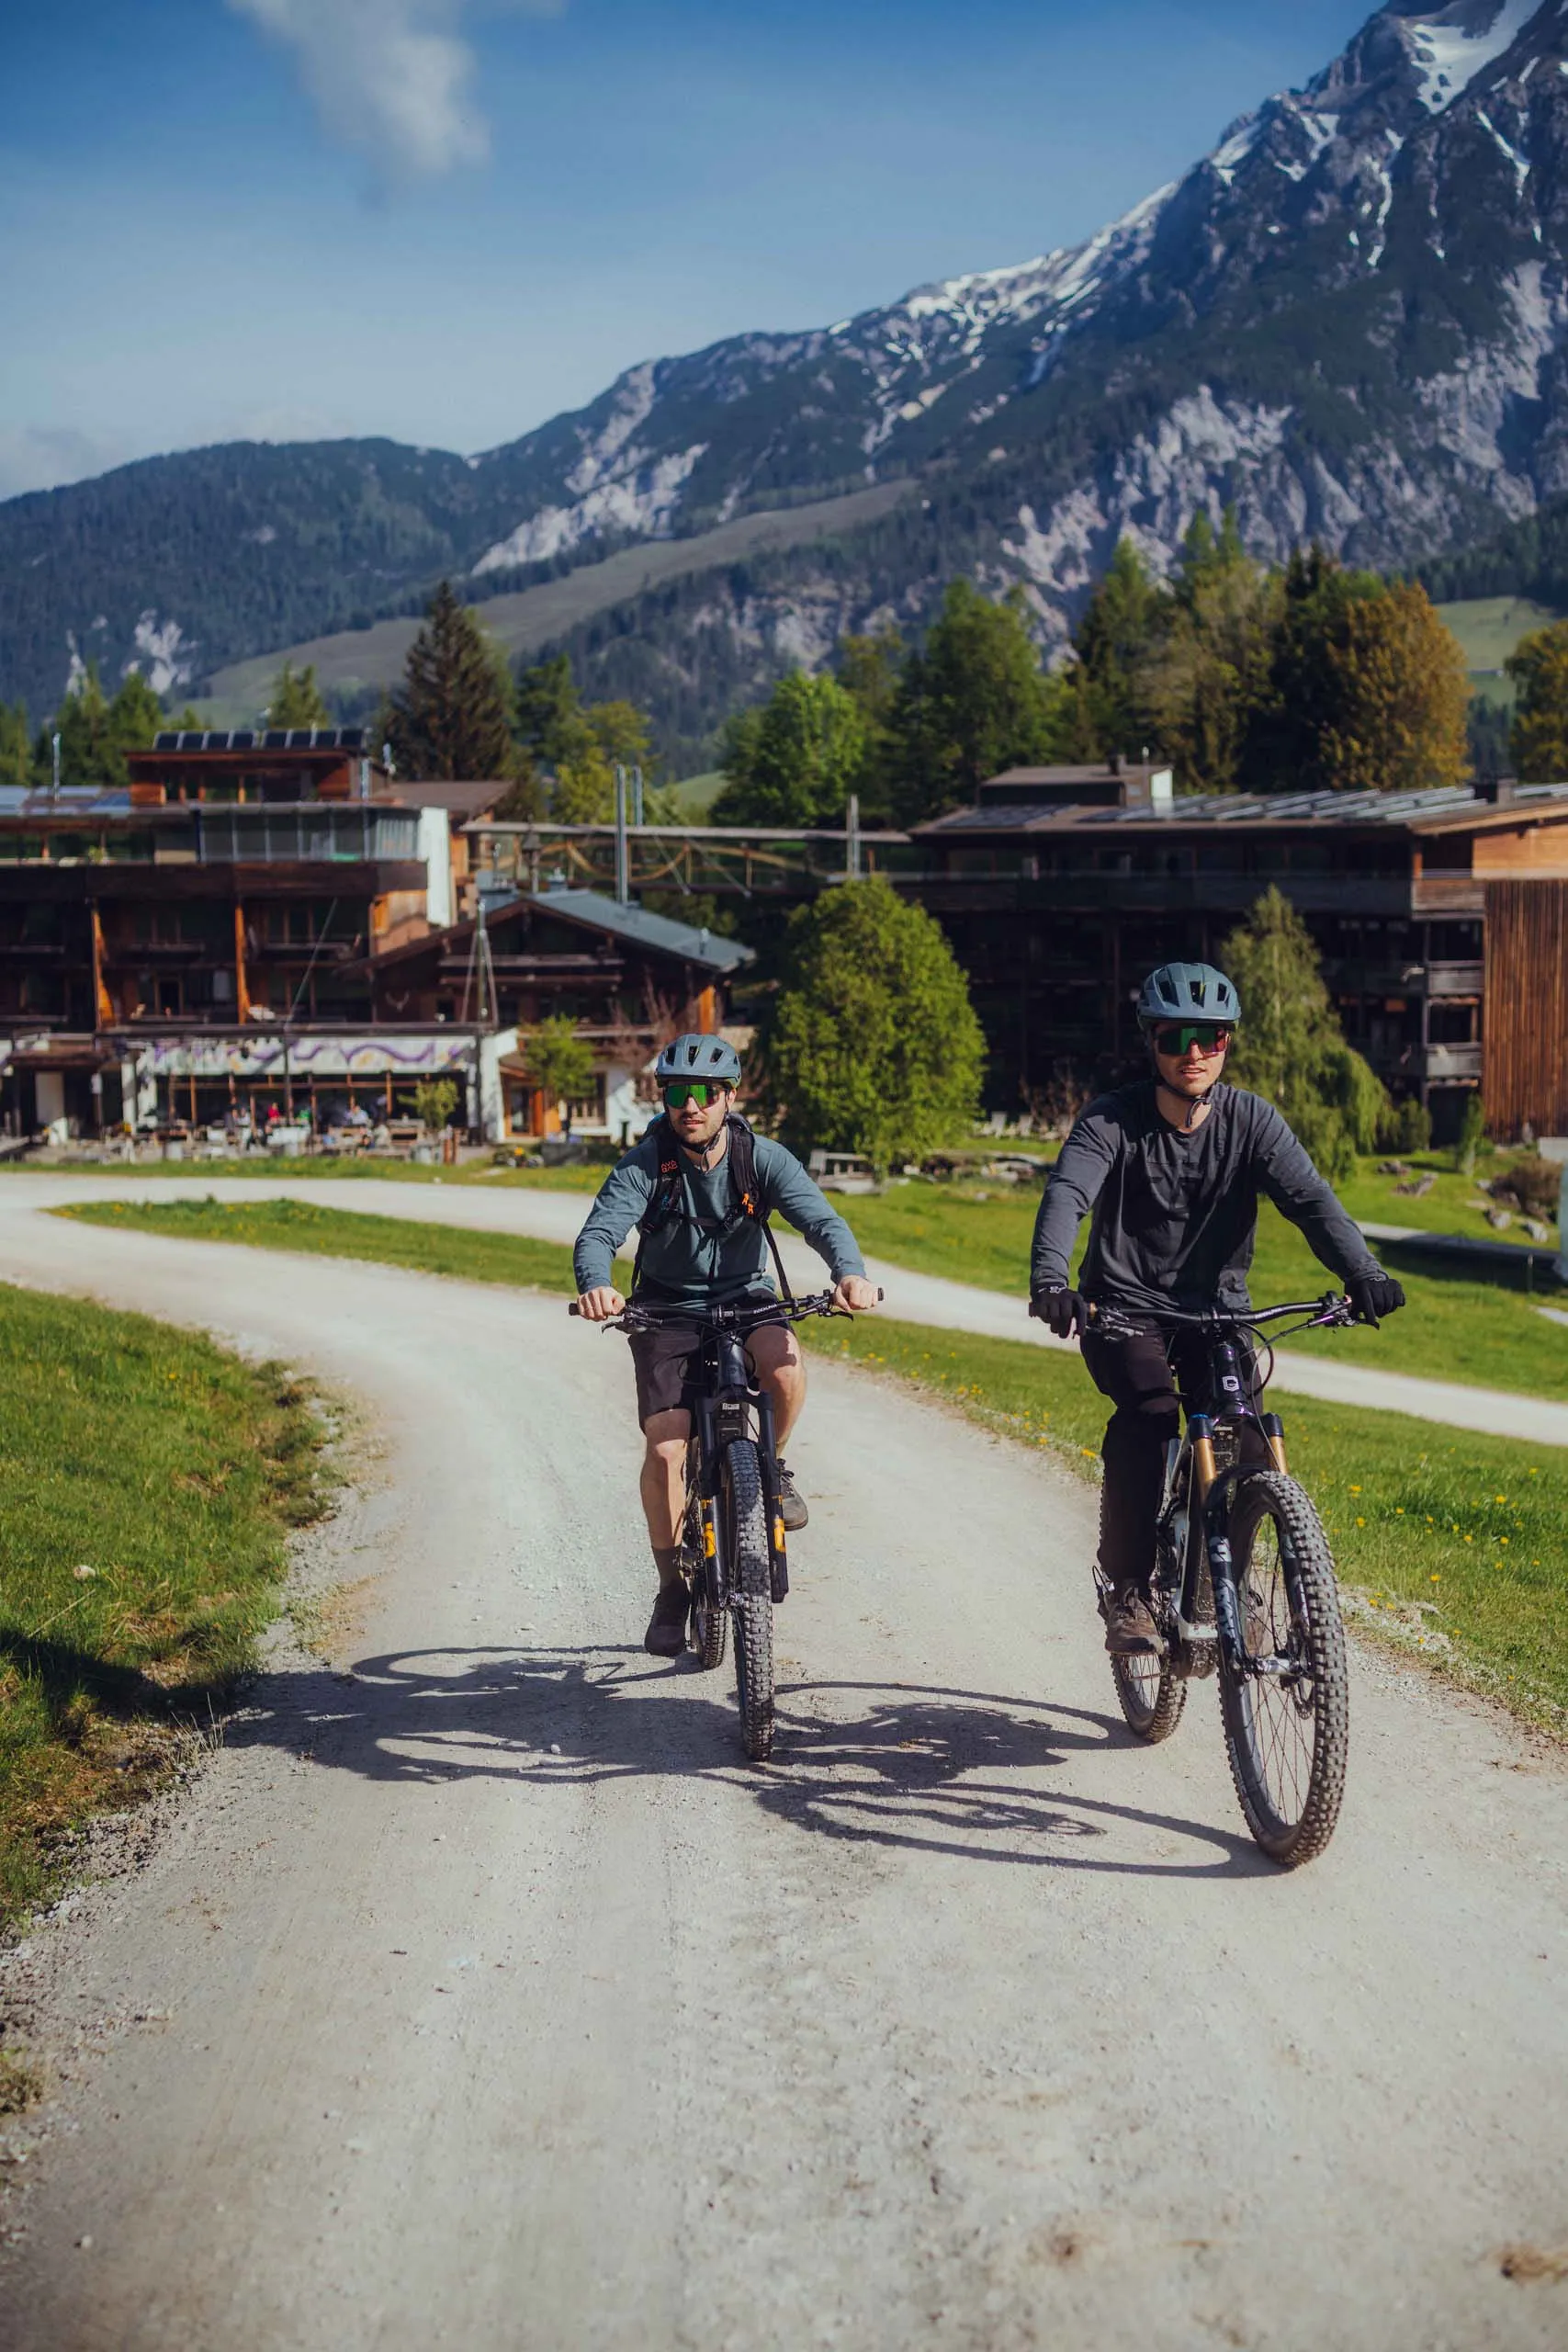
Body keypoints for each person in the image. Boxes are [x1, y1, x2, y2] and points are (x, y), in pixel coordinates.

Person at [1029, 960, 1405, 1657]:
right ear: (1152, 1042)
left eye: (1211, 1037)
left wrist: (1363, 1271)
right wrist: (1052, 1279)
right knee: (1147, 1415)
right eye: (1176, 1037)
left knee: (1246, 1432)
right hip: (1122, 1309)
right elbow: (1067, 1196)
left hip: (1217, 1313)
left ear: (1228, 1041)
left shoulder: (1251, 1121)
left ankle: (1230, 1582)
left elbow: (1311, 1203)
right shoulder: (1112, 1119)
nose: (1194, 1053)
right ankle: (1130, 1589)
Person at [574, 1033, 879, 1657]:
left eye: (705, 1094)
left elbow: (820, 1220)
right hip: (664, 1306)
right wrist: (596, 1285)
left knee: (786, 1372)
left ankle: (772, 1467)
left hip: (746, 1296)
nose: (691, 1106)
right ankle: (670, 1591)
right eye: (677, 1094)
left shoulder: (759, 1156)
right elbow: (598, 1233)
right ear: (664, 1100)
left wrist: (849, 1272)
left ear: (728, 1097)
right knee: (664, 1451)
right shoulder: (643, 1165)